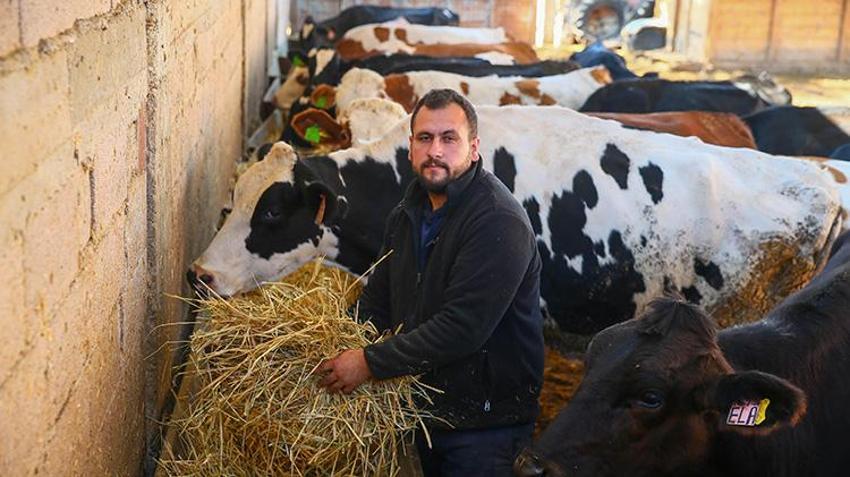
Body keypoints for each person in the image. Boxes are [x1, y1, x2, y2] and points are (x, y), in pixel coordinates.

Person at [318, 89, 544, 476]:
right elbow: (377, 300)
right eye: (425, 138)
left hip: (484, 423)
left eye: (449, 138)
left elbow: (463, 327)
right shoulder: (407, 214)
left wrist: (369, 362)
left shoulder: (496, 220)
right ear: (410, 147)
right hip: (424, 409)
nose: (435, 151)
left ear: (474, 148)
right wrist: (334, 344)